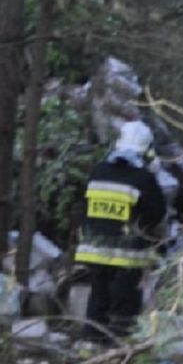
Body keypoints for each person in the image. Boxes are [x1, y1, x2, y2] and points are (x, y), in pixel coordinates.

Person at [74, 121, 168, 344]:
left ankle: (90, 341)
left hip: (95, 247)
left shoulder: (98, 171)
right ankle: (120, 343)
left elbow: (83, 208)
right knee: (125, 296)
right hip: (127, 250)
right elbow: (157, 212)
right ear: (146, 150)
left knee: (98, 292)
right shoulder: (143, 178)